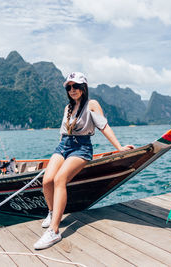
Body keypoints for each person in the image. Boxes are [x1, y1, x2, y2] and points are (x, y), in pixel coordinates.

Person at [33, 72, 134, 250]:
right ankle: (51, 212)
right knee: (47, 180)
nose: (72, 90)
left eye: (76, 86)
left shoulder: (92, 104)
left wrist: (119, 147)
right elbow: (63, 133)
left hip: (82, 148)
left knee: (59, 180)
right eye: (69, 87)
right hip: (63, 146)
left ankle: (54, 231)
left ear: (84, 87)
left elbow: (104, 126)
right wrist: (58, 155)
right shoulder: (67, 108)